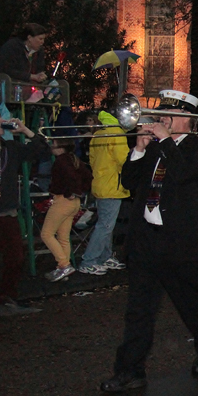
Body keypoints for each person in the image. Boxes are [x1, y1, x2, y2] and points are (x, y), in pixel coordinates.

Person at [100, 89, 198, 392]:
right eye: (162, 114)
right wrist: (139, 149)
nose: (162, 119)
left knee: (192, 304)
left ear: (188, 119)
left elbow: (182, 174)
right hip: (146, 241)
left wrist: (165, 140)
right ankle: (130, 370)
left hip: (180, 245)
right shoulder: (155, 148)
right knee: (139, 310)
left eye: (171, 115)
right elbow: (129, 182)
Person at [0, 109, 49, 312]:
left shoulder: (10, 148)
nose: (1, 120)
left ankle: (6, 296)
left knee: (16, 258)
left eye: (0, 117)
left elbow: (43, 150)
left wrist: (25, 130)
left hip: (8, 212)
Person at [77, 110, 130, 275]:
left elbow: (92, 160)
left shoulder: (98, 133)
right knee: (105, 226)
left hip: (100, 184)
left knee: (107, 224)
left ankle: (105, 257)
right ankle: (89, 261)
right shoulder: (117, 133)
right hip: (112, 186)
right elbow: (123, 161)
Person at [40, 140, 93, 282]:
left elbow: (71, 177)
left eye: (53, 145)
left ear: (60, 148)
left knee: (46, 234)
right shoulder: (73, 159)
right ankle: (63, 268)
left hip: (62, 201)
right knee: (63, 237)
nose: (51, 147)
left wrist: (71, 191)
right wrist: (79, 191)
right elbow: (88, 176)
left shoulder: (61, 161)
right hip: (74, 203)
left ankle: (64, 265)